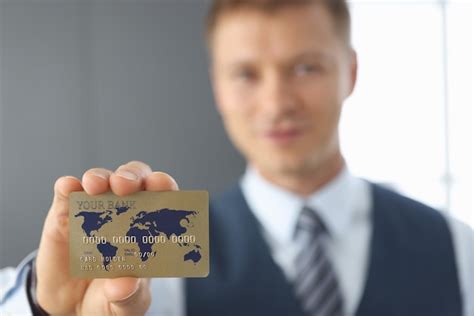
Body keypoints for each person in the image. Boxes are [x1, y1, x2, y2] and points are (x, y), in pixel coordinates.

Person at [1, 0, 473, 315]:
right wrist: (40, 303)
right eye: (246, 74)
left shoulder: (458, 248)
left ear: (349, 72)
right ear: (218, 87)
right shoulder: (156, 272)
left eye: (306, 67)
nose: (277, 104)